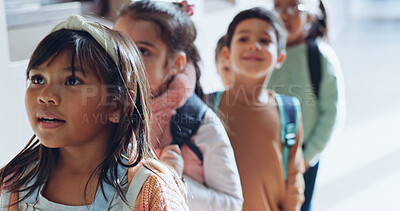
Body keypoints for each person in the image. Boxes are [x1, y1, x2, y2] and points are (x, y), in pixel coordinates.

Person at [0, 15, 188, 210]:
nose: (46, 96)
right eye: (38, 79)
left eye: (72, 81)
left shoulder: (147, 191)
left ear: (117, 105)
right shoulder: (11, 184)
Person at [114, 1, 243, 210]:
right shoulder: (111, 112)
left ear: (176, 63)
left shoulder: (201, 124)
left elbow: (231, 203)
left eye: (143, 51)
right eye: (119, 48)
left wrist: (173, 179)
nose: (127, 61)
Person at [206, 7, 305, 211]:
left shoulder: (289, 110)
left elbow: (294, 182)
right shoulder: (206, 106)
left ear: (280, 58)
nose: (254, 46)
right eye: (243, 39)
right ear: (226, 54)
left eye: (265, 40)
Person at [270, 0, 345, 210]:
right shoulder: (269, 53)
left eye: (293, 8)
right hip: (269, 153)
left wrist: (307, 157)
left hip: (303, 157)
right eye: (278, 7)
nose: (284, 15)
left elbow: (332, 114)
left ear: (310, 15)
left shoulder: (319, 56)